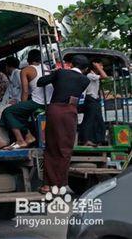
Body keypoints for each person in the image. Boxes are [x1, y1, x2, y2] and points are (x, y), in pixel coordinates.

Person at [37, 55, 90, 193]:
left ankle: (47, 185)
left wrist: (55, 74)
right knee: (65, 149)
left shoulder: (61, 73)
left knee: (51, 147)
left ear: (71, 64)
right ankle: (59, 184)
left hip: (54, 110)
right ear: (85, 69)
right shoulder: (85, 80)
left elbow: (40, 82)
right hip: (70, 111)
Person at [0, 49, 53, 149]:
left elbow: (25, 91)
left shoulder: (26, 70)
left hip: (37, 102)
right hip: (49, 102)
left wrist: (22, 105)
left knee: (8, 112)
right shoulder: (47, 68)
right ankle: (28, 136)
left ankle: (21, 140)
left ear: (28, 59)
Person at [79, 59, 108, 146]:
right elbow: (105, 76)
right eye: (100, 65)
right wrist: (98, 67)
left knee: (98, 121)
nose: (102, 67)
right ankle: (86, 140)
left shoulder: (94, 75)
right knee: (89, 120)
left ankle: (97, 140)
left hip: (95, 100)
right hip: (90, 99)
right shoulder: (90, 75)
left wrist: (98, 67)